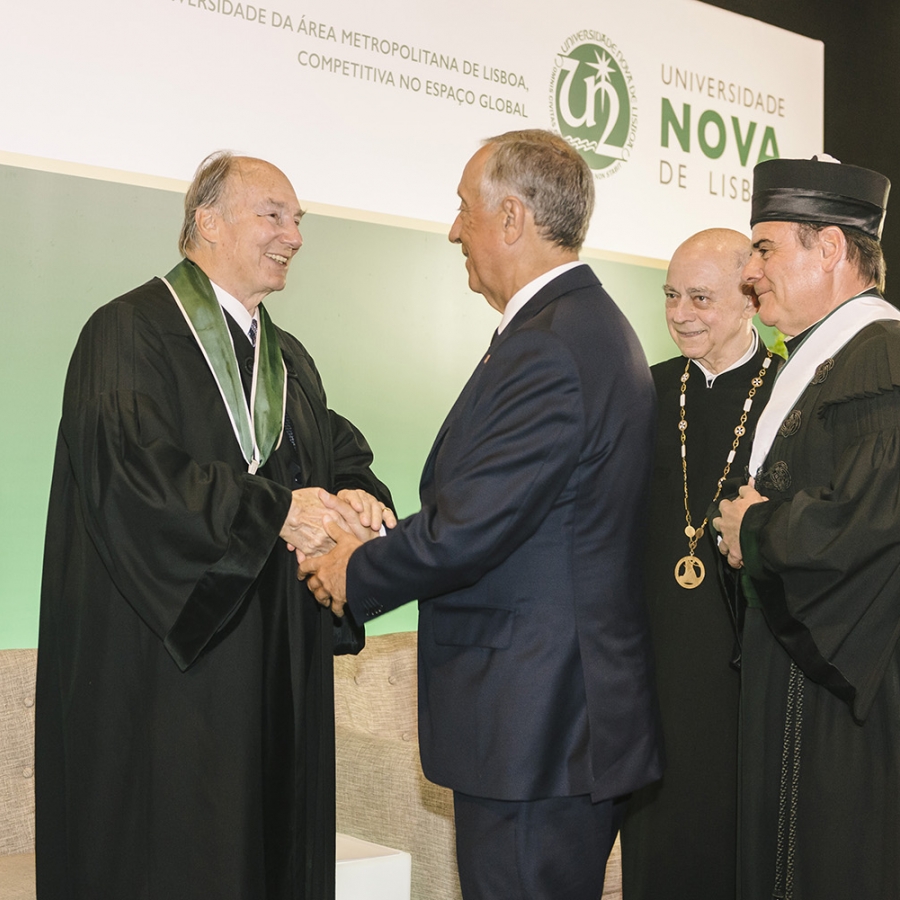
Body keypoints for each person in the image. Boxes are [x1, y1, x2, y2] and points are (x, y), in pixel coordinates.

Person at [299, 130, 661, 900]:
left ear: (511, 219)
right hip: (548, 725)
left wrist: (351, 568)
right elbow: (511, 515)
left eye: (465, 210)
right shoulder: (574, 330)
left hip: (536, 728)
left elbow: (472, 528)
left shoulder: (552, 347)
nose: (454, 229)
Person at [35, 151, 394, 900]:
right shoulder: (126, 333)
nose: (293, 235)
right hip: (170, 676)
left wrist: (356, 495)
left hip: (275, 669)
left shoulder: (287, 358)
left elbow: (335, 450)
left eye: (299, 220)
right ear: (207, 221)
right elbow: (132, 479)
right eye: (274, 215)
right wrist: (275, 511)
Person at [712, 156, 900, 899]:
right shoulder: (829, 361)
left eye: (767, 248)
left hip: (851, 696)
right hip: (806, 675)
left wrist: (756, 531)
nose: (752, 271)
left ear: (832, 250)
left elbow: (881, 532)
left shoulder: (886, 368)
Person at [620, 229, 777, 900]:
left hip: (748, 678)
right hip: (652, 674)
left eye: (701, 298)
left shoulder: (791, 395)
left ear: (748, 300)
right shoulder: (641, 393)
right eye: (671, 296)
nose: (681, 312)